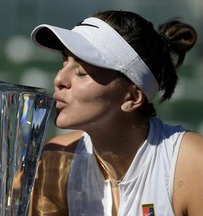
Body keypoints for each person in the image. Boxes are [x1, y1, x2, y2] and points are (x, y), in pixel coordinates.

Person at [28, 10, 202, 216]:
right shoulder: (55, 157)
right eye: (64, 62)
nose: (59, 79)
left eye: (81, 72)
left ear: (132, 97)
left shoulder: (192, 164)